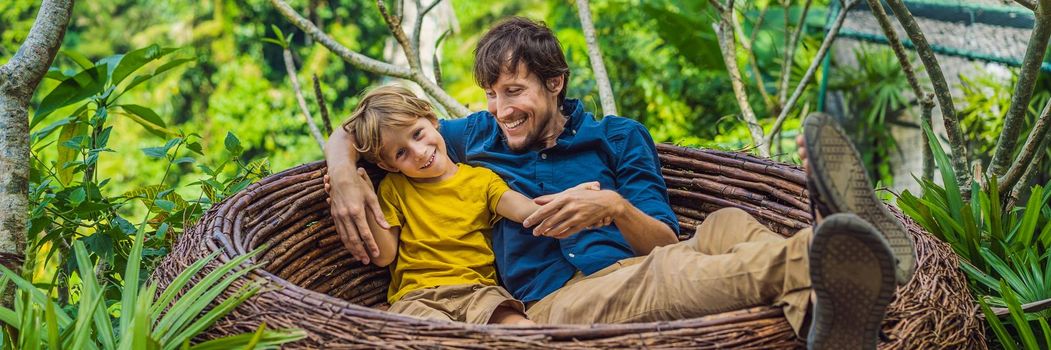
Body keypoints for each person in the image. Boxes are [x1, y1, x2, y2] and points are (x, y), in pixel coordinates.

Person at [325, 17, 914, 349]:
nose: (500, 110)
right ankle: (839, 250)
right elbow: (382, 130)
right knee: (670, 273)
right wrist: (342, 169)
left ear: (555, 83)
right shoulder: (467, 139)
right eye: (490, 94)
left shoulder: (619, 137)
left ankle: (825, 320)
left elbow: (660, 240)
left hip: (643, 258)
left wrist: (612, 208)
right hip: (563, 298)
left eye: (514, 91)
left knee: (726, 225)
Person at [338, 85, 600, 325]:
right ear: (387, 165)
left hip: (480, 293)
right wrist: (364, 192)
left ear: (431, 120)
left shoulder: (481, 180)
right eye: (400, 153)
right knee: (436, 337)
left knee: (524, 331)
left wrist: (570, 199)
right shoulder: (394, 188)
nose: (418, 152)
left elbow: (526, 211)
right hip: (419, 299)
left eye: (417, 134)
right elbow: (384, 255)